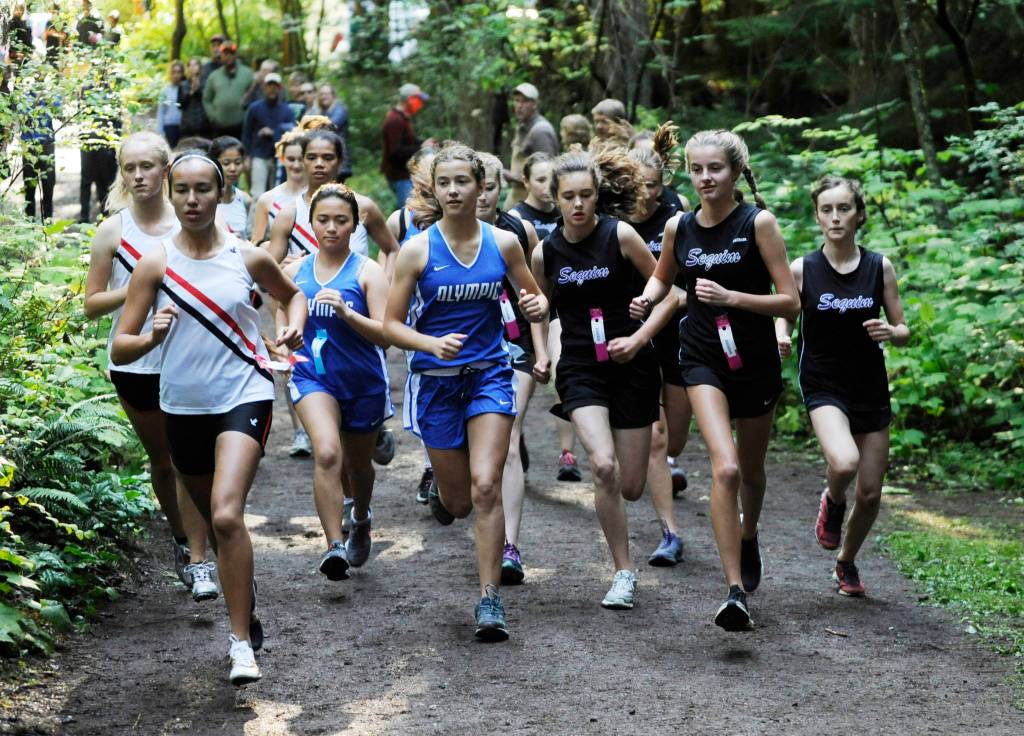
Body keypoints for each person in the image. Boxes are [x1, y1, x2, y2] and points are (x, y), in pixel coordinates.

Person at [111, 150, 306, 686]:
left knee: (224, 516)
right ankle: (247, 603)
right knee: (220, 528)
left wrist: (290, 327)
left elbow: (294, 297)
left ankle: (241, 644)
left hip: (244, 394)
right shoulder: (155, 263)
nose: (193, 200)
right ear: (171, 196)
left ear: (221, 195)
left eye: (204, 189)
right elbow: (122, 347)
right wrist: (151, 335)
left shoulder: (248, 257)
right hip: (182, 406)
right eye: (183, 191)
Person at [632, 129, 800, 631]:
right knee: (723, 469)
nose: (706, 178)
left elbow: (790, 301)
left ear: (734, 172)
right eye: (698, 169)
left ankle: (749, 537)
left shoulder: (758, 224)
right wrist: (646, 297)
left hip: (754, 360)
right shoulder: (678, 227)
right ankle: (733, 592)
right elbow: (663, 278)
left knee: (750, 471)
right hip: (702, 355)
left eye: (716, 169)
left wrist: (734, 298)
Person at [384, 142, 547, 641]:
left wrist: (537, 313)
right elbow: (389, 324)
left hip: (489, 374)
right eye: (445, 183)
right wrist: (430, 342)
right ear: (434, 189)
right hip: (434, 385)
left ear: (481, 187)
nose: (455, 190)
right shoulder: (417, 250)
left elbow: (533, 296)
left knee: (485, 487)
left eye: (464, 182)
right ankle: (442, 491)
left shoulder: (504, 243)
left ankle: (489, 599)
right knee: (458, 503)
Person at [531, 148, 679, 610]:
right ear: (555, 199)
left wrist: (639, 338)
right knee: (604, 466)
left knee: (631, 484)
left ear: (598, 196)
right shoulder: (546, 251)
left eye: (586, 195)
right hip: (580, 368)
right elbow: (541, 307)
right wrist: (540, 347)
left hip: (632, 364)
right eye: (569, 196)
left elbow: (672, 292)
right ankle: (623, 572)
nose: (578, 204)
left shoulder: (622, 236)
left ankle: (628, 548)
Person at [83, 132, 208, 600]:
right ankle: (181, 540)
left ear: (166, 169)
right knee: (164, 461)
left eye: (148, 167)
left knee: (189, 459)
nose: (139, 176)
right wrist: (139, 287)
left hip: (190, 356)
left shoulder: (191, 219)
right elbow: (92, 305)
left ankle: (199, 560)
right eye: (130, 168)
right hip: (136, 362)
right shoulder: (113, 232)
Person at [776, 176, 909, 597]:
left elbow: (904, 328)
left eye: (844, 209)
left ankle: (846, 561)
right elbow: (784, 310)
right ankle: (832, 500)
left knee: (870, 494)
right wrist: (781, 332)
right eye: (827, 209)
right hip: (823, 382)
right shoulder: (803, 269)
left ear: (859, 214)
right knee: (845, 461)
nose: (836, 217)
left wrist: (892, 330)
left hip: (869, 385)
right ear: (817, 216)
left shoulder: (878, 267)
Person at [283, 184, 393, 580]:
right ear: (310, 223)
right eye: (323, 220)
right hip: (314, 377)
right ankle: (334, 546)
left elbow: (385, 334)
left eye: (340, 221)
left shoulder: (368, 271)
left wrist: (348, 314)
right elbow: (283, 309)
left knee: (358, 466)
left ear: (354, 224)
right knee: (328, 453)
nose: (331, 228)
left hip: (362, 381)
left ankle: (360, 516)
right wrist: (286, 339)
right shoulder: (296, 270)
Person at [474, 152, 546, 586]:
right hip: (465, 354)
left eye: (490, 186)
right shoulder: (436, 238)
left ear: (502, 187)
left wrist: (541, 349)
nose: (483, 195)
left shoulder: (520, 230)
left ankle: (509, 546)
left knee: (512, 429)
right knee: (477, 454)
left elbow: (536, 294)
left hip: (514, 344)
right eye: (475, 184)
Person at [626, 123, 691, 566]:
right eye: (636, 187)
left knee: (677, 442)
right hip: (633, 333)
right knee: (657, 435)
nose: (643, 196)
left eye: (650, 186)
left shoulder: (677, 212)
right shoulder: (616, 218)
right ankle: (670, 533)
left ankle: (664, 467)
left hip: (678, 330)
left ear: (662, 183)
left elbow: (679, 289)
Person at [509, 151, 581, 482]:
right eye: (539, 179)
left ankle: (567, 452)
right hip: (523, 312)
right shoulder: (516, 220)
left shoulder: (570, 211)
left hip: (563, 311)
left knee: (562, 371)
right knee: (523, 388)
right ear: (525, 181)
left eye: (550, 180)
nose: (545, 186)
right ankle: (513, 437)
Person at [384, 145, 439, 504]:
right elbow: (388, 271)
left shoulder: (467, 214)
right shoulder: (399, 221)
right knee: (426, 397)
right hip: (416, 325)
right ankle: (433, 465)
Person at [267, 129, 398, 275]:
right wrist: (281, 268)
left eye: (328, 158)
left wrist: (385, 287)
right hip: (305, 297)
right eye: (311, 157)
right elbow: (266, 274)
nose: (319, 164)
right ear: (303, 160)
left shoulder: (363, 207)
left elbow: (392, 249)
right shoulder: (290, 214)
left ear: (340, 161)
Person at [502, 83, 560, 210]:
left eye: (524, 101)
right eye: (517, 101)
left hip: (535, 205)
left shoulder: (541, 131)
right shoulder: (522, 126)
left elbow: (549, 174)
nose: (519, 106)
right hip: (519, 198)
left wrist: (508, 175)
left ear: (535, 104)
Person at [241, 72, 295, 201]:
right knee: (257, 194)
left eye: (275, 86)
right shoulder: (254, 108)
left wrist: (273, 132)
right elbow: (246, 133)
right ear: (264, 88)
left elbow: (292, 134)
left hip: (279, 158)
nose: (272, 89)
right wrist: (246, 157)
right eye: (269, 86)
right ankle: (254, 221)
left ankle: (274, 221)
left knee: (277, 195)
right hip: (259, 156)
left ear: (280, 88)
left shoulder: (287, 110)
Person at [250, 130, 305, 245]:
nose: (296, 165)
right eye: (291, 159)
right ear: (281, 159)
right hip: (279, 262)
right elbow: (256, 242)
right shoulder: (267, 199)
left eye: (301, 159)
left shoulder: (318, 195)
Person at [381, 83, 428, 208]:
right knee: (408, 212)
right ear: (409, 100)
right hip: (399, 176)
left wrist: (422, 143)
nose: (420, 103)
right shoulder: (395, 120)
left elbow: (407, 141)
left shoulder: (402, 117)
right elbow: (395, 151)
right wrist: (421, 148)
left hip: (404, 174)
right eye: (418, 99)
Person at [202, 42, 253, 140]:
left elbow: (255, 95)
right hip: (220, 127)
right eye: (225, 54)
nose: (228, 56)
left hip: (242, 127)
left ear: (236, 55)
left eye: (231, 53)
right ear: (221, 56)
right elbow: (206, 99)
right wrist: (213, 117)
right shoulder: (214, 76)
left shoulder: (247, 73)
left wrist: (248, 115)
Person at [630, 130, 687, 214]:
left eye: (653, 153)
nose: (646, 158)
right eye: (639, 153)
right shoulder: (614, 206)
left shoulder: (678, 202)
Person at [21, 91, 57, 220]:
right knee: (29, 188)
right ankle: (29, 224)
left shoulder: (50, 94)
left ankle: (47, 223)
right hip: (29, 145)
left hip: (47, 144)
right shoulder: (24, 95)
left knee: (48, 186)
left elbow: (58, 109)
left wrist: (46, 97)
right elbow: (20, 113)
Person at [209, 136, 251, 237]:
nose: (233, 169)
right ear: (213, 163)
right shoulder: (205, 200)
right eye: (226, 163)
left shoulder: (245, 200)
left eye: (237, 163)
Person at [314, 84, 351, 181]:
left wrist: (315, 127)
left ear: (333, 95)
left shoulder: (339, 109)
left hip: (338, 158)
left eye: (326, 94)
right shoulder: (323, 111)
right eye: (321, 94)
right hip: (327, 157)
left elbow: (331, 125)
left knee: (334, 190)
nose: (323, 96)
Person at [157, 61, 185, 148]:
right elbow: (161, 111)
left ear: (182, 74)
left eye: (179, 72)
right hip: (169, 126)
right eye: (173, 72)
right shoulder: (165, 91)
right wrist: (160, 132)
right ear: (170, 73)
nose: (176, 75)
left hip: (184, 127)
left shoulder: (186, 89)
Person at [179, 58, 209, 139]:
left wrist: (198, 90)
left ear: (199, 67)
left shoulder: (207, 83)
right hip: (187, 127)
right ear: (187, 68)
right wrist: (191, 92)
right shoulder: (182, 85)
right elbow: (180, 105)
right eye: (190, 65)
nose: (193, 67)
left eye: (195, 64)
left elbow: (208, 101)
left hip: (204, 126)